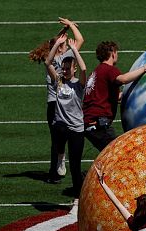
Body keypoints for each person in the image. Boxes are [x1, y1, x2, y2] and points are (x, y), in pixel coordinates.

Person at [29, 18, 84, 183]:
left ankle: (56, 171)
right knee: (58, 139)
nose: (67, 45)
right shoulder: (60, 58)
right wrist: (72, 26)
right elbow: (80, 40)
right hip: (58, 102)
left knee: (57, 139)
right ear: (61, 47)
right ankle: (56, 169)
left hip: (56, 102)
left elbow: (58, 44)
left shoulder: (56, 56)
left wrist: (65, 31)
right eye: (65, 44)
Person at [82, 41, 146, 152]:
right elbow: (123, 79)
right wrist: (145, 68)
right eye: (116, 52)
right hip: (97, 124)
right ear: (112, 53)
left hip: (89, 122)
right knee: (117, 153)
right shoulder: (109, 69)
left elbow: (103, 96)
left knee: (110, 154)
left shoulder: (97, 71)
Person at [51, 43, 89, 198]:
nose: (65, 71)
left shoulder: (78, 85)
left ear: (74, 69)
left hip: (77, 129)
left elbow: (84, 69)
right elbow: (48, 62)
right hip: (62, 127)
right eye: (63, 68)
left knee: (75, 164)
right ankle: (60, 155)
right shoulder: (58, 81)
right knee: (58, 126)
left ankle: (77, 191)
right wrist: (57, 45)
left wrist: (74, 50)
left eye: (68, 68)